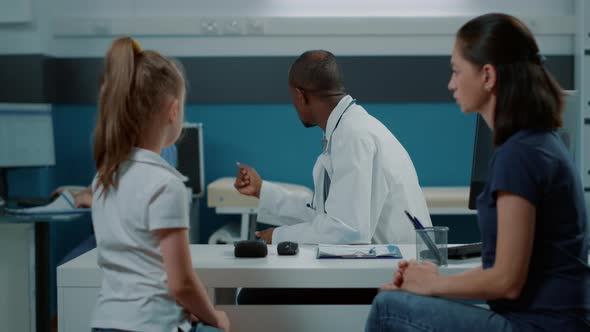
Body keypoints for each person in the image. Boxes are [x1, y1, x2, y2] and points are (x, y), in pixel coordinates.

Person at [366, 13, 590, 331]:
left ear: (487, 76)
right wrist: (431, 281)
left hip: (539, 326)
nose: (451, 83)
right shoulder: (535, 143)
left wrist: (432, 284)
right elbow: (502, 272)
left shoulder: (519, 154)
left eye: (457, 72)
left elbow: (507, 281)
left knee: (389, 309)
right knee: (407, 302)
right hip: (544, 319)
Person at [89, 37, 229, 332]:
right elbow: (182, 283)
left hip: (105, 322)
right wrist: (216, 318)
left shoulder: (104, 178)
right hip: (153, 325)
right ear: (173, 110)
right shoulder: (167, 184)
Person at [234, 50, 431, 245]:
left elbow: (346, 230)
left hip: (398, 269)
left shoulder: (353, 136)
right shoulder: (347, 129)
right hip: (390, 262)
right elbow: (323, 215)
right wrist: (262, 190)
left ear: (300, 95)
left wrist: (278, 237)